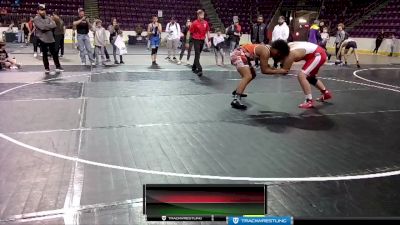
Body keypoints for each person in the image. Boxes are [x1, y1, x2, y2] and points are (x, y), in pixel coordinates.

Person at [230, 40, 290, 110]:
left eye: (280, 54)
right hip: (238, 54)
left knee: (252, 75)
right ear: (274, 48)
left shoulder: (268, 50)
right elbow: (264, 70)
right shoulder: (266, 51)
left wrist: (273, 69)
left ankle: (237, 91)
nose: (278, 55)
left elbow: (265, 65)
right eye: (279, 53)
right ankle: (236, 99)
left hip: (242, 55)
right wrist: (279, 71)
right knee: (247, 76)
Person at [281, 42, 331, 109]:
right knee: (310, 77)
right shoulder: (288, 45)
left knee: (301, 76)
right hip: (319, 53)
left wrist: (273, 70)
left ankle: (309, 101)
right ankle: (326, 93)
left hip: (318, 55)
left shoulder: (291, 53)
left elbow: (285, 71)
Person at [33, 4, 63, 74]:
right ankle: (47, 68)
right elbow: (42, 27)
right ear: (38, 11)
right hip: (42, 38)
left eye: (44, 10)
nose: (43, 12)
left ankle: (58, 66)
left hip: (50, 38)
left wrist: (46, 26)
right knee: (45, 54)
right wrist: (49, 26)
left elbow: (54, 25)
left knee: (54, 53)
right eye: (41, 10)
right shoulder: (36, 19)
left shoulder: (48, 17)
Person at [188, 9, 211, 76]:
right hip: (196, 40)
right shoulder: (194, 23)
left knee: (198, 55)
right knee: (197, 54)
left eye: (203, 14)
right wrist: (188, 41)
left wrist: (208, 40)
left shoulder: (205, 23)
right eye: (202, 15)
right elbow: (190, 32)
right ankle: (200, 69)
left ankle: (194, 67)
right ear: (198, 15)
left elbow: (207, 31)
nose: (203, 16)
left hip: (202, 40)